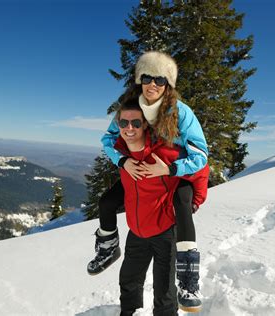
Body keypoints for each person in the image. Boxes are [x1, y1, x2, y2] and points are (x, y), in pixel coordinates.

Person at [87, 51, 209, 312]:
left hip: (178, 173)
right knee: (107, 201)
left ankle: (188, 279)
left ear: (168, 85)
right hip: (140, 174)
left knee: (181, 202)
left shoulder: (180, 112)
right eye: (147, 77)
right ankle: (108, 247)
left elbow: (201, 155)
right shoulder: (131, 108)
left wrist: (171, 168)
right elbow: (109, 139)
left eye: (160, 79)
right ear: (138, 80)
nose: (152, 84)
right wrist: (123, 162)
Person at [112, 100, 208, 315]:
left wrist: (195, 200)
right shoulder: (121, 155)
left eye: (136, 123)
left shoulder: (164, 153)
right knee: (128, 281)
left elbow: (202, 169)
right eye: (123, 123)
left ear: (145, 125)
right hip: (137, 230)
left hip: (165, 231)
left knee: (164, 291)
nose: (129, 128)